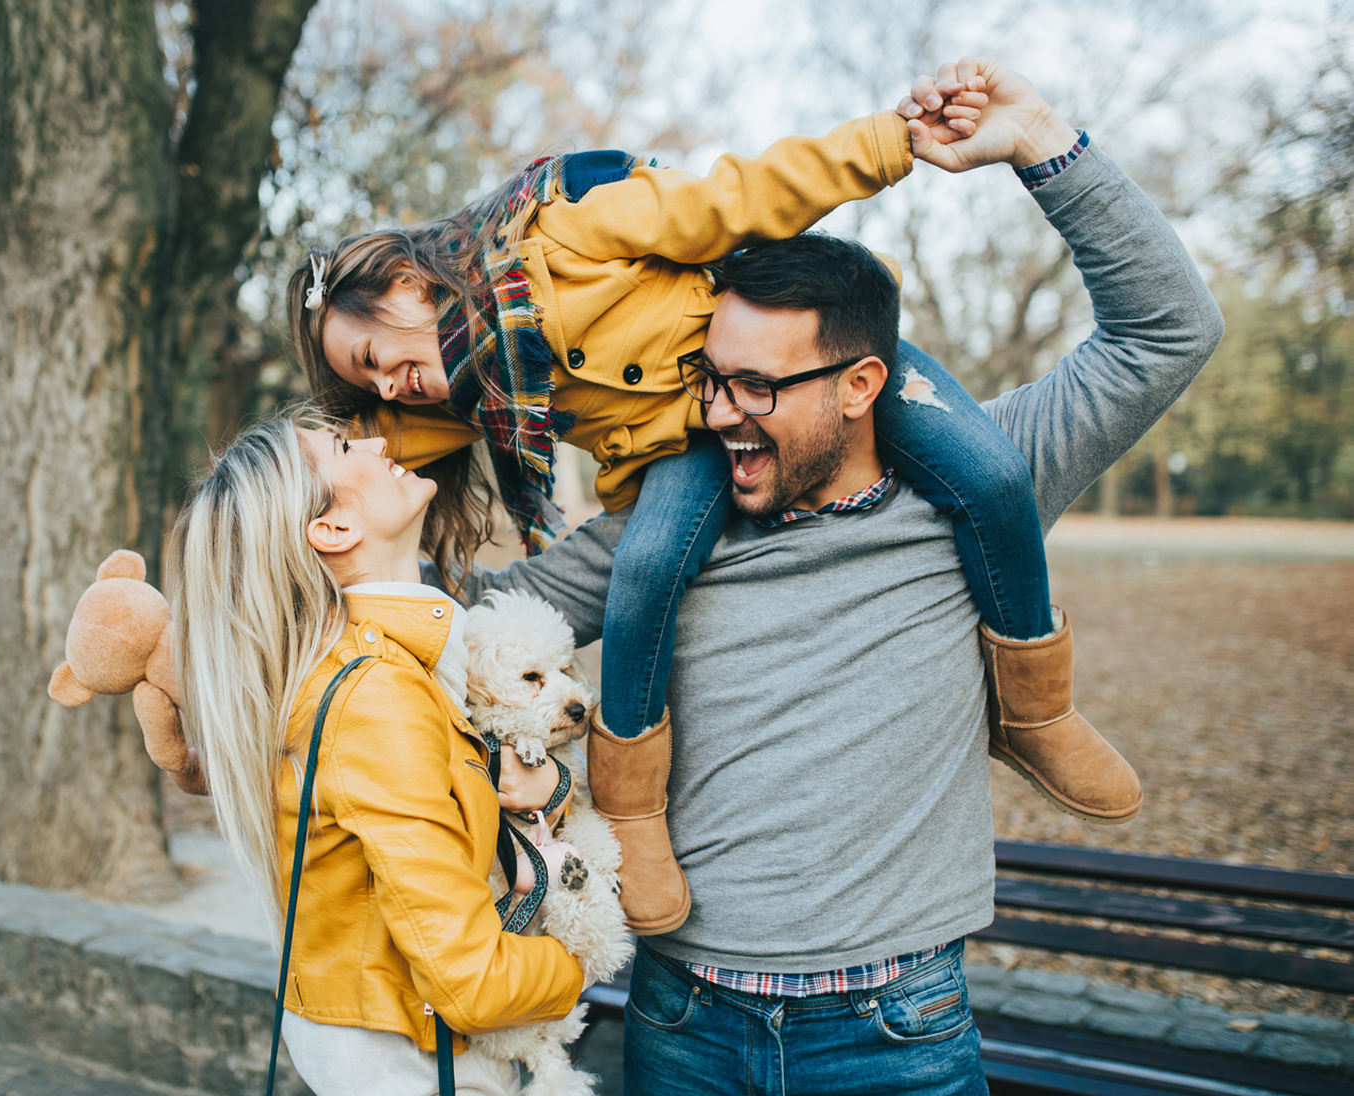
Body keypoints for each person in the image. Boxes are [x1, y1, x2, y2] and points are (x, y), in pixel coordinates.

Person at [451, 60, 1224, 1094]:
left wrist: (1042, 143)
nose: (720, 413)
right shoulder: (659, 535)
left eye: (757, 386)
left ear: (863, 384)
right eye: (712, 380)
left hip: (895, 1033)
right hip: (683, 1024)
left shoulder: (984, 481)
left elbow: (1169, 329)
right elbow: (456, 623)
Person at [286, 62, 1143, 940]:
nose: (393, 386)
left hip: (780, 368)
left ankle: (1038, 710)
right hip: (693, 450)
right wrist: (251, 538)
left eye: (379, 357)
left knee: (994, 475)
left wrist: (890, 144)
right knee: (649, 568)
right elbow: (330, 471)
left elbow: (739, 198)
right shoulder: (462, 394)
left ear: (406, 284)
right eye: (371, 383)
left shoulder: (571, 239)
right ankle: (633, 813)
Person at [167, 415, 585, 1095]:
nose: (376, 444)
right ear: (332, 529)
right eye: (342, 448)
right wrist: (579, 959)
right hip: (412, 1065)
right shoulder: (376, 692)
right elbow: (471, 982)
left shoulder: (372, 665)